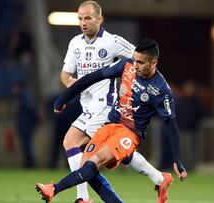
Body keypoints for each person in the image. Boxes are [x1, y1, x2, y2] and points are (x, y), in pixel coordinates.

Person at [36, 38, 188, 203]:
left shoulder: (161, 90)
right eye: (134, 60)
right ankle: (158, 179)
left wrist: (176, 160)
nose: (135, 65)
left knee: (94, 162)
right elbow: (93, 77)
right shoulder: (126, 65)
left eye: (140, 62)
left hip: (129, 135)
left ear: (153, 63)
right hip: (109, 126)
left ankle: (53, 189)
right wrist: (64, 97)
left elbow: (170, 124)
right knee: (87, 170)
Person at [59, 1, 167, 202]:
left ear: (99, 19)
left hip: (105, 106)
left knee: (76, 145)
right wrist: (69, 85)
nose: (83, 23)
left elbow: (139, 59)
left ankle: (82, 198)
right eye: (80, 19)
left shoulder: (112, 41)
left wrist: (142, 90)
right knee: (117, 153)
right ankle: (158, 177)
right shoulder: (75, 43)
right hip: (86, 106)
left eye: (88, 18)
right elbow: (65, 74)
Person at [11, 80, 39, 168]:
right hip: (25, 124)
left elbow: (31, 110)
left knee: (26, 143)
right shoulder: (23, 97)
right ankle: (29, 161)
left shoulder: (25, 97)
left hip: (26, 124)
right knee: (26, 144)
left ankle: (30, 162)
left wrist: (34, 121)